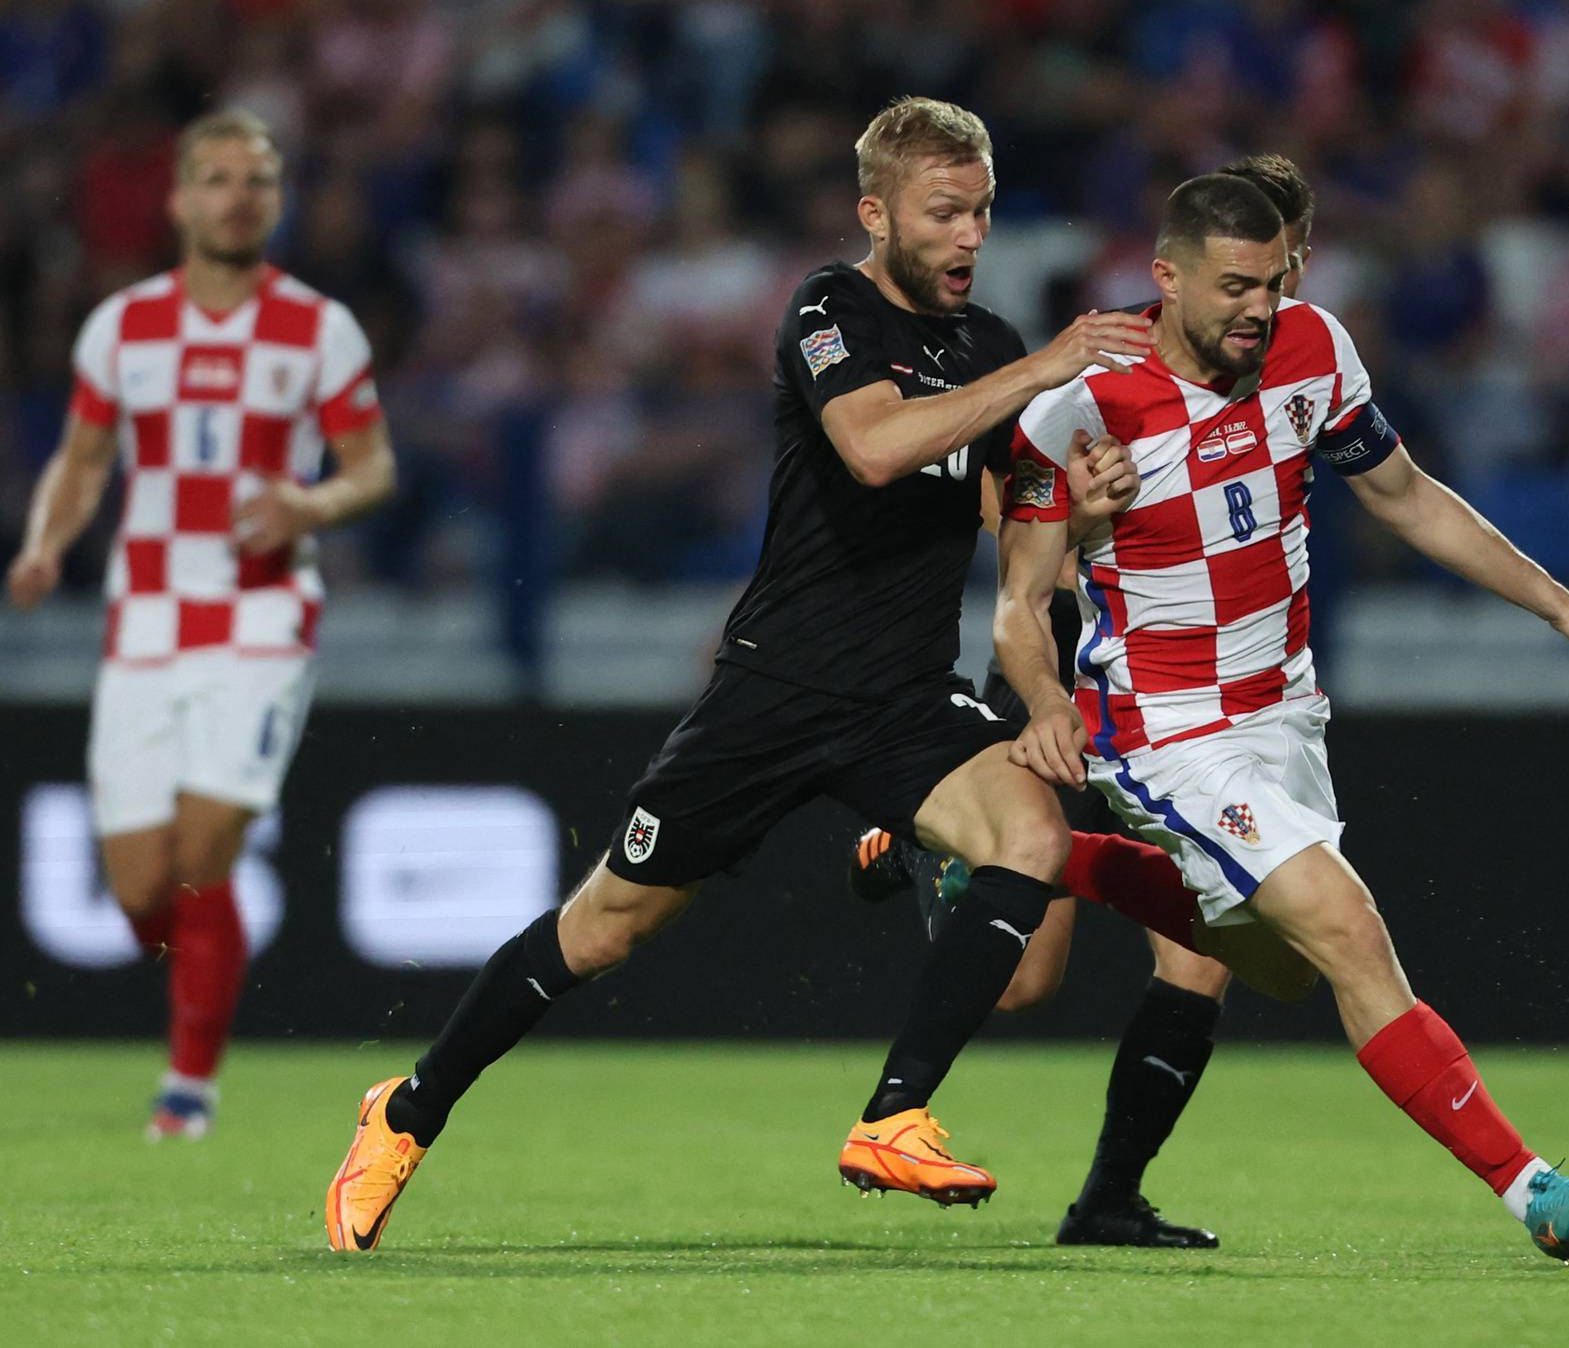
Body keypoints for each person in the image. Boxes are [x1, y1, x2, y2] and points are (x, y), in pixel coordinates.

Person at [322, 97, 1154, 1252]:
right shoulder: (831, 308)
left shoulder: (993, 349)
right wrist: (1052, 371)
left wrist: (1081, 516)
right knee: (604, 927)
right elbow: (870, 449)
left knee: (1033, 837)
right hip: (776, 687)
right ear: (878, 213)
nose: (971, 236)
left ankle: (895, 1114)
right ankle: (405, 1113)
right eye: (945, 212)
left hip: (905, 696)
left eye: (984, 212)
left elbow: (999, 514)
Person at [995, 172, 1569, 1262]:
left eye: (1278, 280)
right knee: (1347, 930)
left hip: (1286, 719)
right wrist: (1047, 696)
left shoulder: (1314, 349)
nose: (1261, 307)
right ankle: (1529, 1185)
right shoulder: (1083, 403)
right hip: (1166, 728)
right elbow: (1020, 600)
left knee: (1272, 963)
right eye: (1236, 286)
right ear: (1165, 278)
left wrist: (1563, 607)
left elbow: (1404, 496)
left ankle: (1045, 860)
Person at [847, 154, 1323, 1249]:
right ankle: (920, 825)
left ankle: (1109, 1198)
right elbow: (1019, 541)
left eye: (1288, 272)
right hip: (1058, 684)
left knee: (1207, 946)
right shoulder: (1105, 374)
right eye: (1258, 271)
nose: (1274, 293)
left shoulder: (1283, 377)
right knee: (1023, 990)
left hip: (1189, 716)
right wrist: (1091, 532)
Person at [4, 108, 397, 1140]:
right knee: (141, 887)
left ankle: (189, 1086)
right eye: (218, 178)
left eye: (257, 179)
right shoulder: (122, 325)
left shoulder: (318, 326)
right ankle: (200, 982)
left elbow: (372, 468)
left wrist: (310, 505)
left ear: (276, 199)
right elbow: (85, 461)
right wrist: (46, 544)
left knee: (207, 846)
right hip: (144, 623)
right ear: (180, 199)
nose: (238, 196)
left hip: (262, 617)